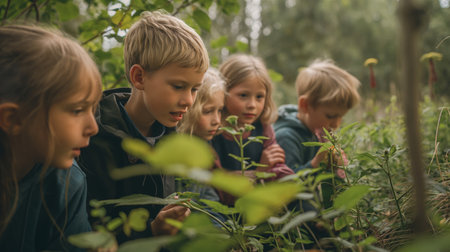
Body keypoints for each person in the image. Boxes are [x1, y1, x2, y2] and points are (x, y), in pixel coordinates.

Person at [77, 10, 209, 240]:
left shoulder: (171, 137)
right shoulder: (96, 138)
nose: (188, 100)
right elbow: (90, 231)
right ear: (139, 77)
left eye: (194, 89)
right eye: (178, 86)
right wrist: (151, 231)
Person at [0, 25, 101, 252]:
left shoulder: (67, 183)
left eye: (92, 110)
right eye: (77, 110)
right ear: (13, 119)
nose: (93, 127)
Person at [212, 54, 294, 185]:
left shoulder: (262, 127)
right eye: (243, 95)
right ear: (223, 92)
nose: (252, 105)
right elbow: (214, 183)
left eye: (259, 97)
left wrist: (293, 183)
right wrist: (259, 171)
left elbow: (276, 168)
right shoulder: (212, 129)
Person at [274, 59, 360, 173]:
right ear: (305, 105)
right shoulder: (286, 137)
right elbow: (285, 183)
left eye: (341, 117)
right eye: (330, 116)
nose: (336, 124)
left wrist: (335, 166)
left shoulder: (316, 132)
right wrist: (315, 164)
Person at [177, 68, 226, 202]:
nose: (217, 120)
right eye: (208, 111)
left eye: (220, 110)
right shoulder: (180, 152)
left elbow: (208, 194)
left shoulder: (204, 143)